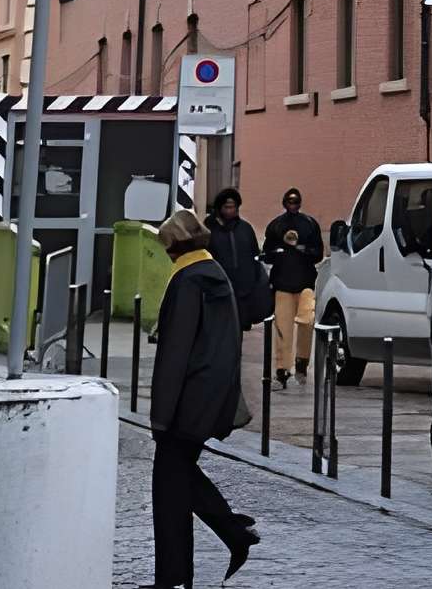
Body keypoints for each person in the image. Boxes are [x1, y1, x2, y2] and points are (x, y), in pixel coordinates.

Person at [143, 208, 259, 589]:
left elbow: (175, 354)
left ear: (175, 248)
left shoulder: (188, 282)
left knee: (169, 481)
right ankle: (227, 535)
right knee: (177, 478)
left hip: (188, 398)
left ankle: (183, 570)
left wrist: (160, 417)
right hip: (211, 394)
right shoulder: (214, 274)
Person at [262, 187, 322, 386]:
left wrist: (303, 250)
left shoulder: (310, 224)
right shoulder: (275, 226)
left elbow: (319, 254)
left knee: (307, 322)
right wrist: (280, 251)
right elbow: (267, 253)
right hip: (283, 285)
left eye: (296, 202)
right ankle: (282, 368)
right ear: (284, 203)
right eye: (290, 202)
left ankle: (302, 362)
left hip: (305, 284)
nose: (293, 205)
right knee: (282, 328)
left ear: (300, 203)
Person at [205, 189, 267, 332]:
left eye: (233, 207)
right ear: (219, 208)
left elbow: (254, 256)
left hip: (243, 293)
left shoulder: (245, 229)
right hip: (217, 292)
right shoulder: (208, 229)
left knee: (237, 330)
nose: (230, 210)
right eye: (227, 207)